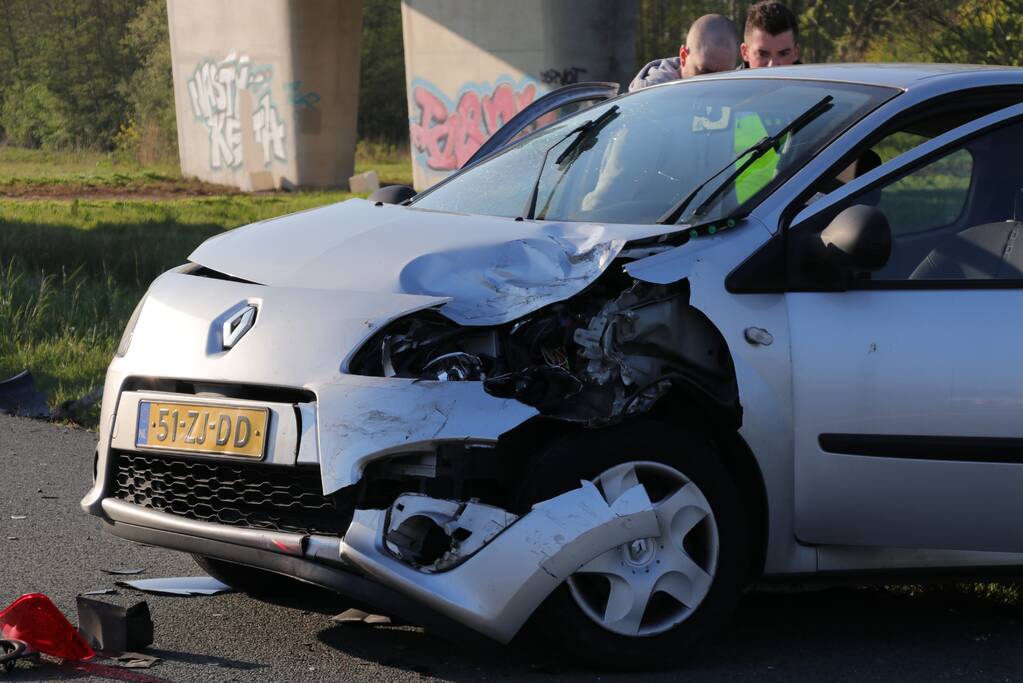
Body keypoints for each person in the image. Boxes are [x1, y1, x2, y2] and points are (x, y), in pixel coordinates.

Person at [628, 14, 739, 91]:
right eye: (705, 72)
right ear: (683, 56)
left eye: (724, 76)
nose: (714, 85)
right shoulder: (652, 95)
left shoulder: (741, 94)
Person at [741, 1, 801, 68]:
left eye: (783, 54)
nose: (772, 65)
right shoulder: (729, 78)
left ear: (796, 53)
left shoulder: (812, 77)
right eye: (762, 54)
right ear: (745, 52)